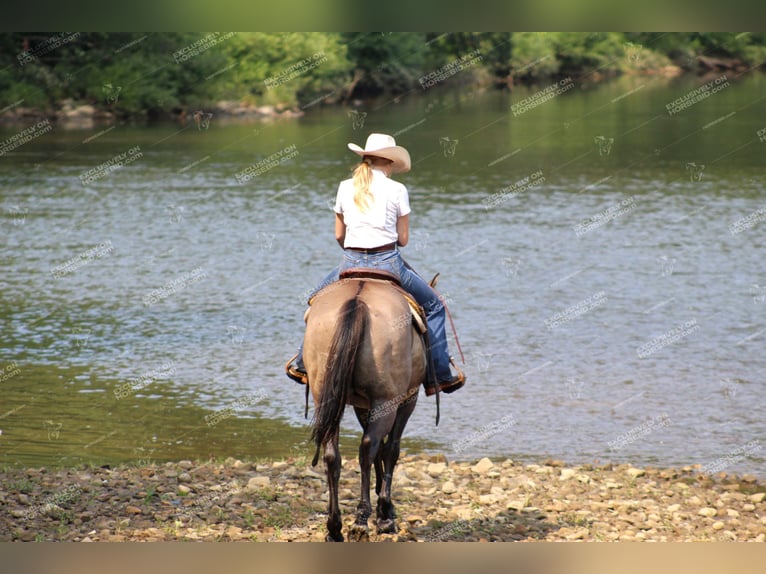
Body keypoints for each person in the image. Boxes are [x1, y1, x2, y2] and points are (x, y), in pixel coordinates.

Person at [286, 133, 465, 395]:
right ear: (390, 163)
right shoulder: (398, 190)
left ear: (366, 158)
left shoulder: (345, 186)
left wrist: (355, 254)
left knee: (316, 301)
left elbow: (339, 235)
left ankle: (302, 364)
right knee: (435, 306)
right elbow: (403, 240)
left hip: (349, 262)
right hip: (388, 262)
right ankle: (439, 374)